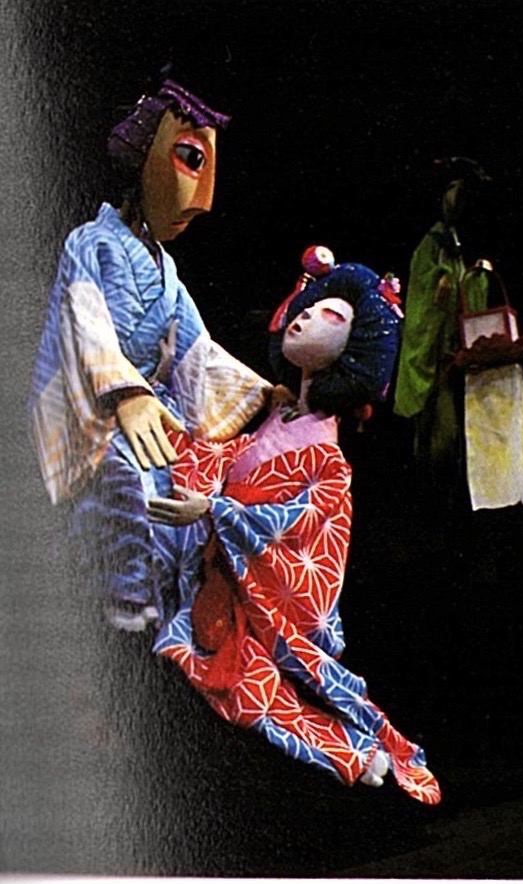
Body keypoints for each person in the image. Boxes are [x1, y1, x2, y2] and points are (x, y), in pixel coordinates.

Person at [144, 253, 440, 802]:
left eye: (331, 317)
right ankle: (350, 752)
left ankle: (350, 751)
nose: (305, 318)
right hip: (215, 564)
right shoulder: (281, 410)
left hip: (253, 587)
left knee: (250, 684)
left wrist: (213, 511)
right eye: (309, 307)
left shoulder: (325, 454)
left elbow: (293, 528)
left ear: (353, 352)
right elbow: (231, 455)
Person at [29, 77, 280, 631]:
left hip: (150, 408)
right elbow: (83, 319)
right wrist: (125, 394)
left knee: (187, 486)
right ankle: (119, 611)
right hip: (95, 410)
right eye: (190, 158)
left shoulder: (166, 269)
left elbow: (195, 349)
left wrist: (266, 396)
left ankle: (171, 609)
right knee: (123, 479)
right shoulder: (90, 241)